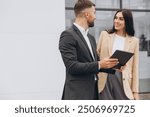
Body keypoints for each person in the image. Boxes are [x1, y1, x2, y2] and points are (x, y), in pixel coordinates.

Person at [59, 0, 118, 100]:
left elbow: (94, 63)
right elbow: (72, 66)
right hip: (77, 95)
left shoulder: (90, 37)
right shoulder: (68, 35)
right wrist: (100, 64)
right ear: (87, 14)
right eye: (94, 13)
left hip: (93, 93)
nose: (95, 17)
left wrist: (113, 66)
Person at [97, 9, 139, 100]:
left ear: (127, 22)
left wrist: (135, 92)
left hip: (123, 80)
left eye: (121, 19)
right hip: (104, 79)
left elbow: (135, 68)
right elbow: (96, 56)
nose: (116, 21)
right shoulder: (104, 35)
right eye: (115, 18)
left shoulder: (134, 41)